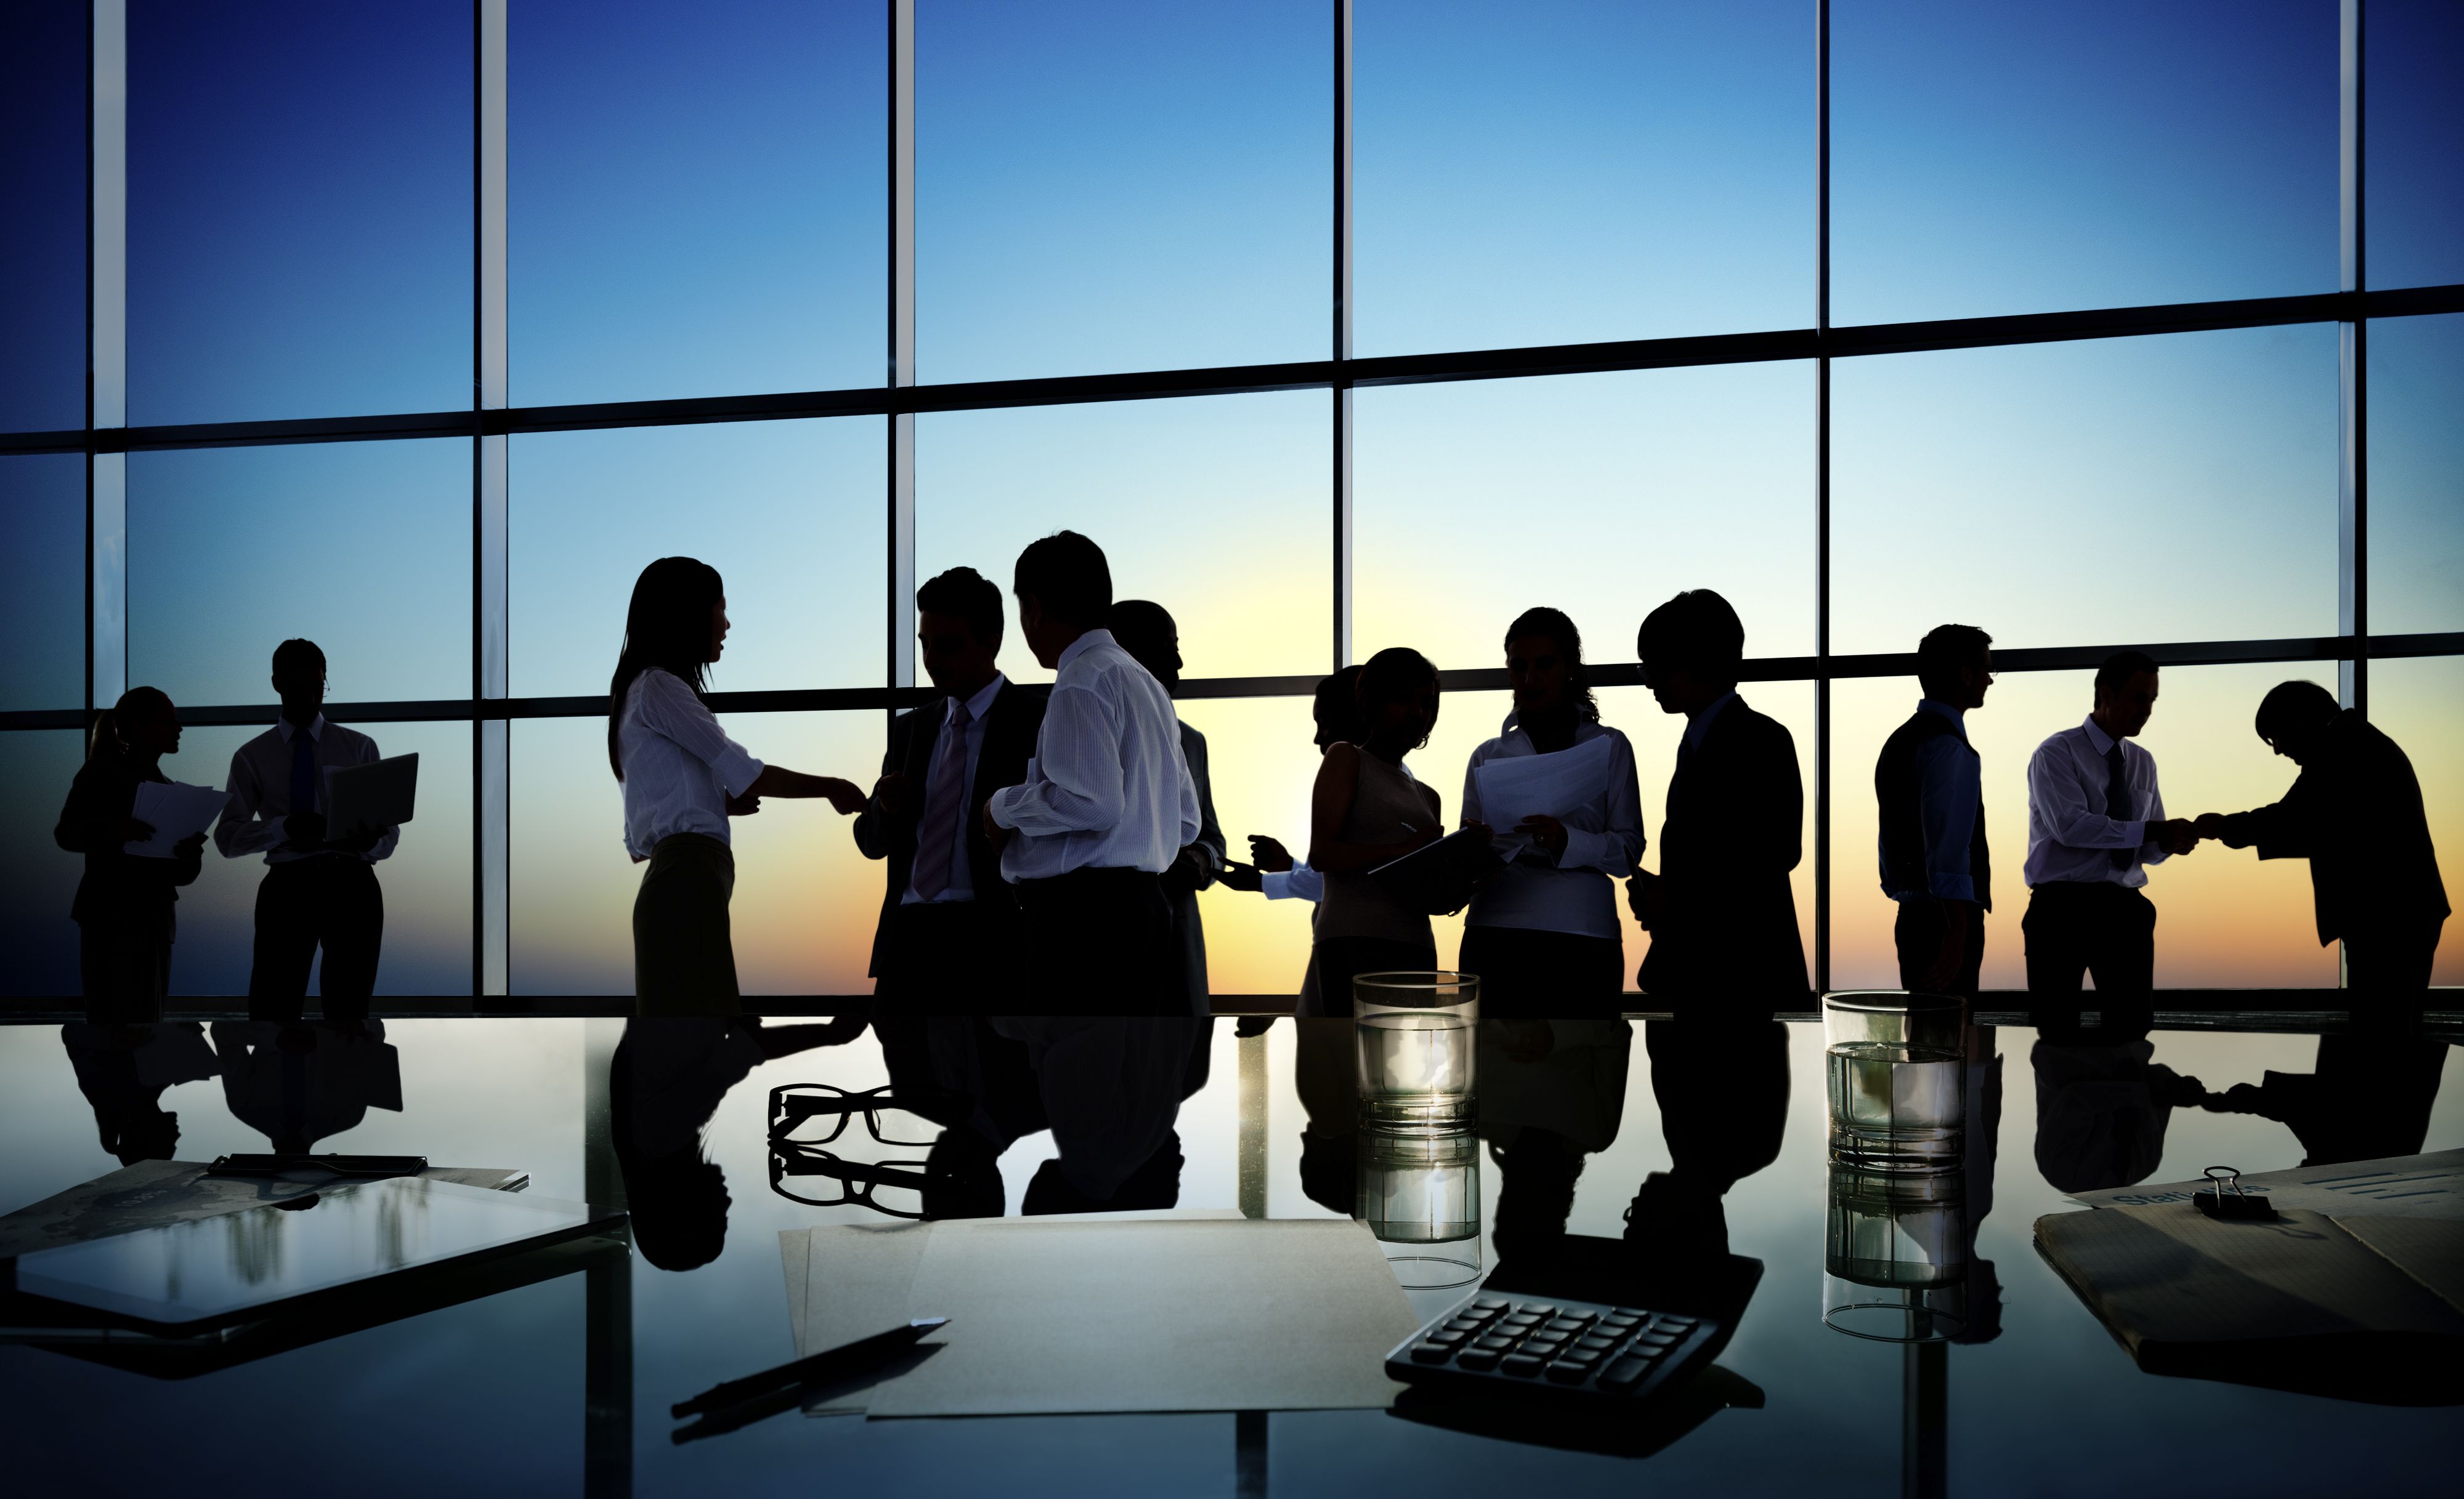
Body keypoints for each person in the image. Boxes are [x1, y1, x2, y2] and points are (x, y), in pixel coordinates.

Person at [609, 557, 865, 1013]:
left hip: (674, 880)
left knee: (684, 1037)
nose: (727, 624)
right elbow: (746, 770)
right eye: (720, 609)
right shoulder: (662, 690)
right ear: (687, 614)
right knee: (704, 1035)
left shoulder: (639, 692)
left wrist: (713, 803)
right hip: (687, 880)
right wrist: (831, 786)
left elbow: (643, 829)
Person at [983, 531, 1201, 1012]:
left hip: (1081, 923)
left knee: (1076, 1075)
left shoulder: (1080, 680)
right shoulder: (1146, 684)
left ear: (1034, 608)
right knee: (1124, 1078)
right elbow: (1187, 821)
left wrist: (1002, 807)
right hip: (1146, 910)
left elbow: (1094, 804)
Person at [854, 567, 1048, 1015]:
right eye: (925, 644)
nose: (932, 660)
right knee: (906, 1084)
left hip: (993, 940)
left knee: (999, 1080)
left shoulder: (1037, 720)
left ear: (992, 642)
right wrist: (885, 808)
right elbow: (869, 841)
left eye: (947, 645)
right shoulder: (911, 729)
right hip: (907, 943)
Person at [2193, 681, 2449, 1012]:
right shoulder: (2357, 740)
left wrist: (2223, 827)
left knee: (2383, 1038)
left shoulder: (2340, 747)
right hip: (2401, 911)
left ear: (2298, 721)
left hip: (2386, 918)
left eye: (2276, 737)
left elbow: (2296, 819)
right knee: (2396, 1033)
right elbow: (2321, 827)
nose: (2278, 750)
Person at [1456, 607, 1643, 1018]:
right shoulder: (1488, 755)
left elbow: (1630, 850)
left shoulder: (1610, 747)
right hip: (1495, 931)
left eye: (1544, 665)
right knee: (1495, 1072)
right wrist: (1474, 848)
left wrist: (1568, 840)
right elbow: (1465, 866)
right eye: (1518, 667)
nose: (1529, 679)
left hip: (1582, 933)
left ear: (1571, 669)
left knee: (1581, 1069)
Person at [1627, 590, 1808, 1013]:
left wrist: (1674, 898)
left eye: (1653, 666)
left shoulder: (1763, 739)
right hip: (1706, 979)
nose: (1649, 680)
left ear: (1691, 662)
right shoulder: (1703, 741)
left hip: (1740, 984)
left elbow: (1777, 852)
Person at [213, 640, 397, 1010]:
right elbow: (228, 839)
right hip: (287, 888)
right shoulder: (252, 757)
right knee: (273, 1009)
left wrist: (368, 842)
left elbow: (389, 837)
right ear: (277, 683)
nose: (312, 697)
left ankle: (343, 1068)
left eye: (319, 687)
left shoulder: (360, 747)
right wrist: (284, 828)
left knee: (351, 1013)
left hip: (353, 885)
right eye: (301, 687)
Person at [2020, 650, 2200, 1004]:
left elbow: (2146, 850)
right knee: (2056, 1034)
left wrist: (2169, 843)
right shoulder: (2056, 753)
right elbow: (2071, 828)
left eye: (2152, 700)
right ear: (2106, 695)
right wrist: (2155, 832)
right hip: (2061, 912)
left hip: (2125, 912)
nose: (2147, 710)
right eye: (2138, 698)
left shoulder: (2143, 762)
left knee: (2131, 1032)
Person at [1307, 647, 1445, 1016]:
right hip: (1354, 941)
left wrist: (1468, 875)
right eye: (1403, 700)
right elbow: (1322, 855)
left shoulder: (1428, 796)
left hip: (1416, 945)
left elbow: (1429, 897)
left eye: (1426, 703)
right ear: (1372, 703)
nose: (1418, 713)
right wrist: (1404, 849)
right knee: (1356, 1066)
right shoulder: (1346, 758)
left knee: (1410, 1070)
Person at [1107, 599, 1227, 1016]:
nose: (1178, 659)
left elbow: (1212, 837)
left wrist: (1201, 858)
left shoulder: (1191, 741)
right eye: (1165, 645)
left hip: (1177, 948)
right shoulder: (1078, 726)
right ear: (1123, 651)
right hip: (1104, 951)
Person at [55, 687, 208, 1007]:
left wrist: (191, 856)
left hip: (154, 922)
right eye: (169, 722)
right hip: (112, 921)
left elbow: (179, 874)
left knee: (144, 1031)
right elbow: (66, 833)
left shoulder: (168, 788)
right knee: (118, 1030)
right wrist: (115, 828)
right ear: (139, 727)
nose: (179, 729)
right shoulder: (101, 773)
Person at [1221, 666, 1360, 1018]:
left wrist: (1262, 883)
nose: (1318, 739)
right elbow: (1338, 878)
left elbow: (1341, 881)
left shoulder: (1362, 785)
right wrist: (1290, 868)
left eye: (1324, 723)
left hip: (1354, 952)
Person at [1876, 624, 1995, 1000]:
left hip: (1913, 916)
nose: (1990, 680)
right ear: (1966, 675)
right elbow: (1948, 853)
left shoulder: (1898, 741)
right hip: (1942, 921)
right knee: (1947, 1043)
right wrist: (1957, 934)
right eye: (1986, 670)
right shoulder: (1948, 747)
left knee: (1925, 1043)